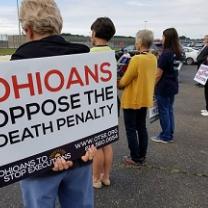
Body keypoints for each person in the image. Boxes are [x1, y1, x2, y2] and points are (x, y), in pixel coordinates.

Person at [11, 0, 96, 207]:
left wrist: (53, 154)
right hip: (83, 157)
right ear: (58, 25)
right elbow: (104, 107)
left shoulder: (19, 62)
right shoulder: (83, 55)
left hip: (39, 167)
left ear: (28, 29)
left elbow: (19, 120)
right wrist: (95, 141)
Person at [118, 30, 157, 165]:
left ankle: (134, 157)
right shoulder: (153, 58)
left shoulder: (136, 59)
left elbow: (125, 80)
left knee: (130, 129)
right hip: (145, 98)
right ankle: (142, 154)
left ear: (139, 42)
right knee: (141, 127)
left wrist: (118, 82)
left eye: (136, 40)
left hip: (132, 100)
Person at [90, 17, 116, 188]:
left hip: (94, 102)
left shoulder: (89, 55)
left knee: (96, 144)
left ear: (94, 33)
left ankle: (95, 179)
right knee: (107, 142)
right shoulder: (114, 54)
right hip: (111, 101)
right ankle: (106, 176)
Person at [151, 28, 182, 144]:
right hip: (173, 85)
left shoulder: (166, 53)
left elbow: (158, 74)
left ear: (168, 38)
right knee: (169, 110)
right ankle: (169, 133)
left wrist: (151, 87)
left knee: (164, 111)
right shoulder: (178, 52)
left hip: (163, 87)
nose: (162, 39)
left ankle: (166, 136)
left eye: (163, 36)